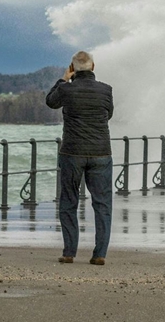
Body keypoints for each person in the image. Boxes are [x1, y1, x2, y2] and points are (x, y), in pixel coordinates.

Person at [46, 51, 114, 266]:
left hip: (72, 152)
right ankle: (99, 254)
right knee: (102, 204)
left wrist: (63, 79)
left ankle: (69, 252)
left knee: (68, 201)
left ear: (73, 68)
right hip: (101, 152)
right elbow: (108, 114)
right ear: (93, 66)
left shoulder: (66, 89)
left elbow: (50, 102)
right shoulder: (106, 90)